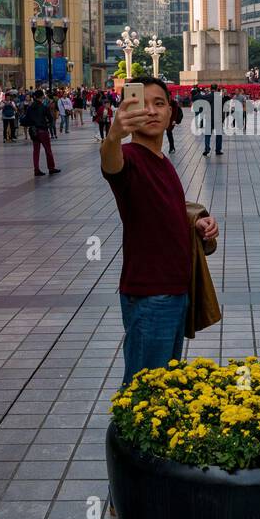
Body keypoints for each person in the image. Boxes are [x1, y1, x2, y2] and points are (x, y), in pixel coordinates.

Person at [101, 76, 219, 386]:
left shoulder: (162, 161)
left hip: (175, 292)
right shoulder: (129, 158)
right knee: (144, 390)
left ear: (171, 114)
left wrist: (195, 221)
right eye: (142, 104)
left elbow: (162, 210)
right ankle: (125, 437)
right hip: (150, 294)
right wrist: (113, 136)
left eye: (159, 104)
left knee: (162, 389)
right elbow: (111, 165)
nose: (152, 111)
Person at [24, 90, 60, 176]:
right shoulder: (44, 107)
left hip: (33, 131)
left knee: (36, 151)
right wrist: (46, 124)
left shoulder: (30, 107)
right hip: (43, 131)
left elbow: (26, 119)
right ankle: (51, 168)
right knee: (48, 150)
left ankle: (36, 169)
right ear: (42, 97)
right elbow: (51, 119)